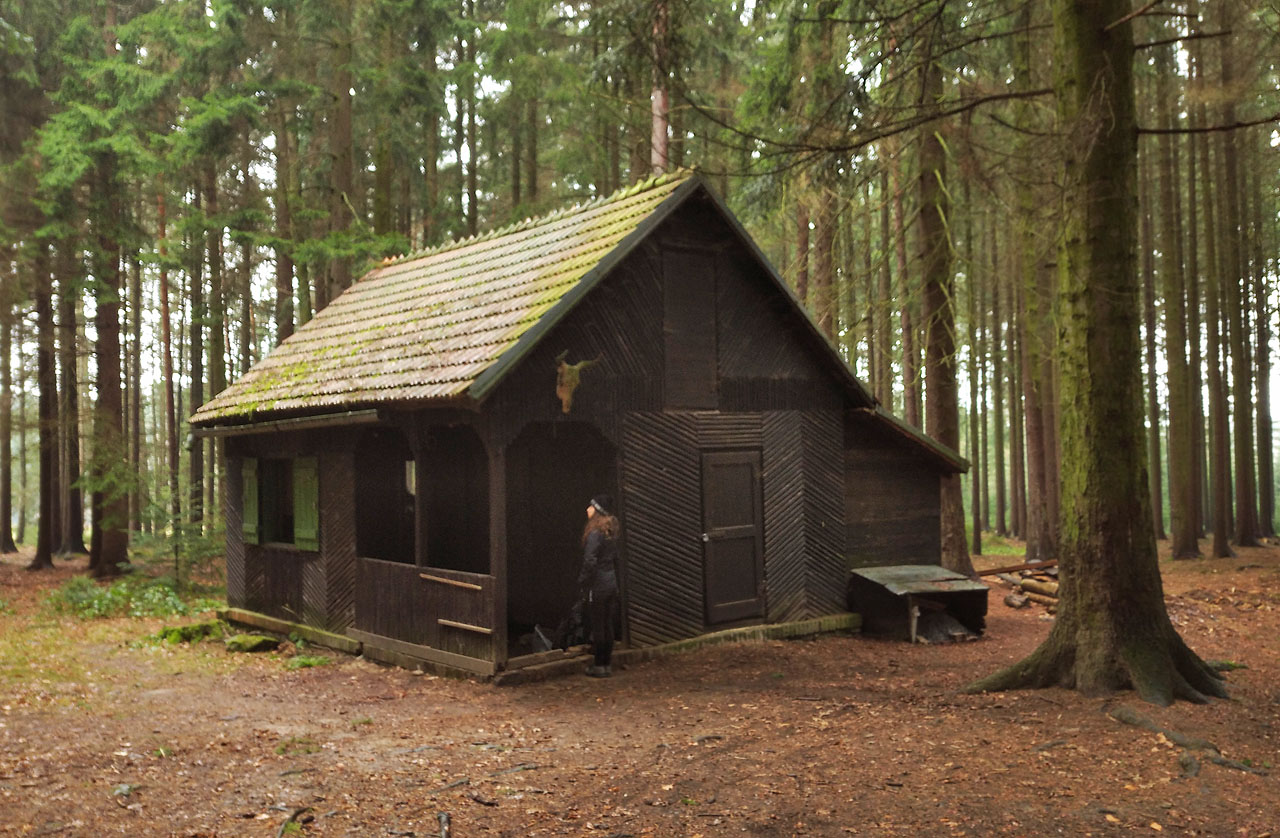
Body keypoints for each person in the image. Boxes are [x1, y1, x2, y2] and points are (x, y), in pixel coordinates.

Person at [578, 493, 620, 677]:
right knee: (607, 624)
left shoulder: (595, 534)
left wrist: (583, 580)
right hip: (611, 583)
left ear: (597, 511)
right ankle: (607, 664)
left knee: (598, 625)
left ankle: (598, 665)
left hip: (598, 586)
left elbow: (590, 560)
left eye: (591, 506)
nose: (587, 509)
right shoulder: (610, 532)